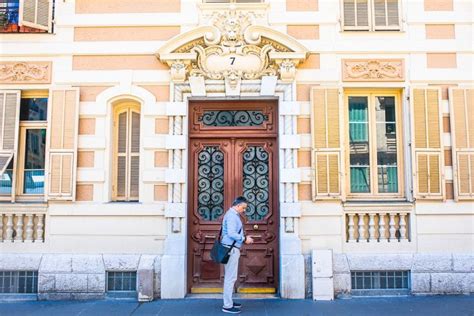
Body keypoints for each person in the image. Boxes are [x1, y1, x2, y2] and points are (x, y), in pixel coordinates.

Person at [221, 196, 254, 314]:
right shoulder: (231, 216)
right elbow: (231, 233)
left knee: (231, 277)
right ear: (238, 205)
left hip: (231, 248)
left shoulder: (232, 215)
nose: (244, 210)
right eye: (243, 208)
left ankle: (229, 301)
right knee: (230, 278)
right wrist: (244, 239)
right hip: (231, 249)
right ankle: (227, 305)